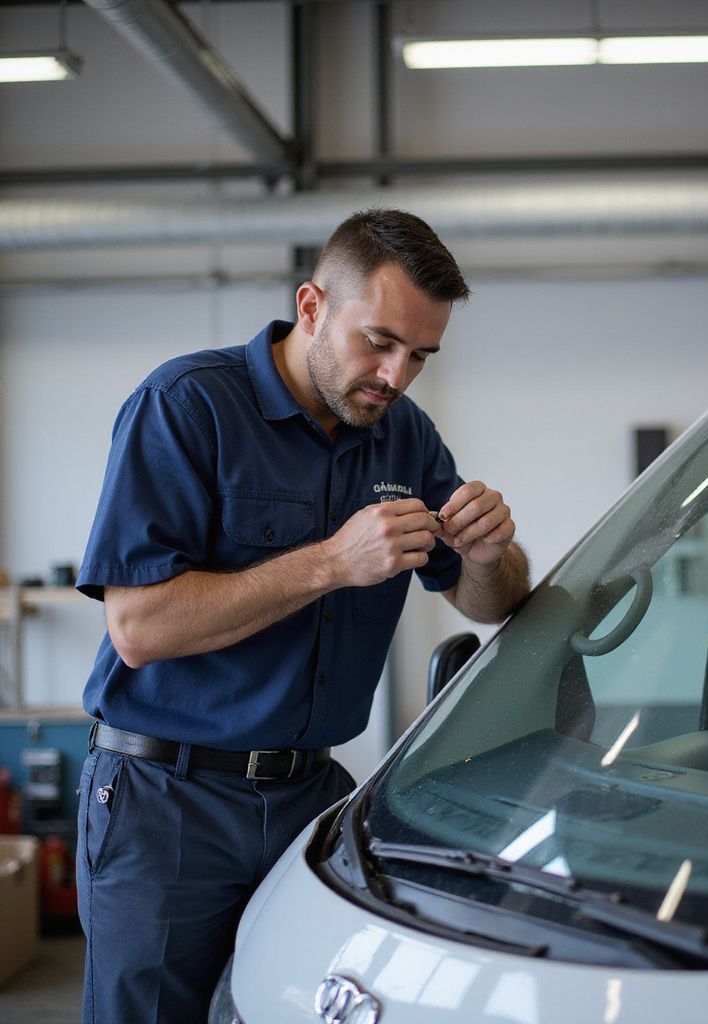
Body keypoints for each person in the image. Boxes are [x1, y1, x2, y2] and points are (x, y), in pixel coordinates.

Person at [74, 208, 531, 1023]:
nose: (396, 376)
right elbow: (138, 628)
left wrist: (494, 557)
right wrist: (331, 562)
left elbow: (483, 601)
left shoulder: (405, 437)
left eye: (421, 355)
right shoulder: (186, 405)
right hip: (167, 801)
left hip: (308, 800)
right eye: (380, 342)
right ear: (312, 306)